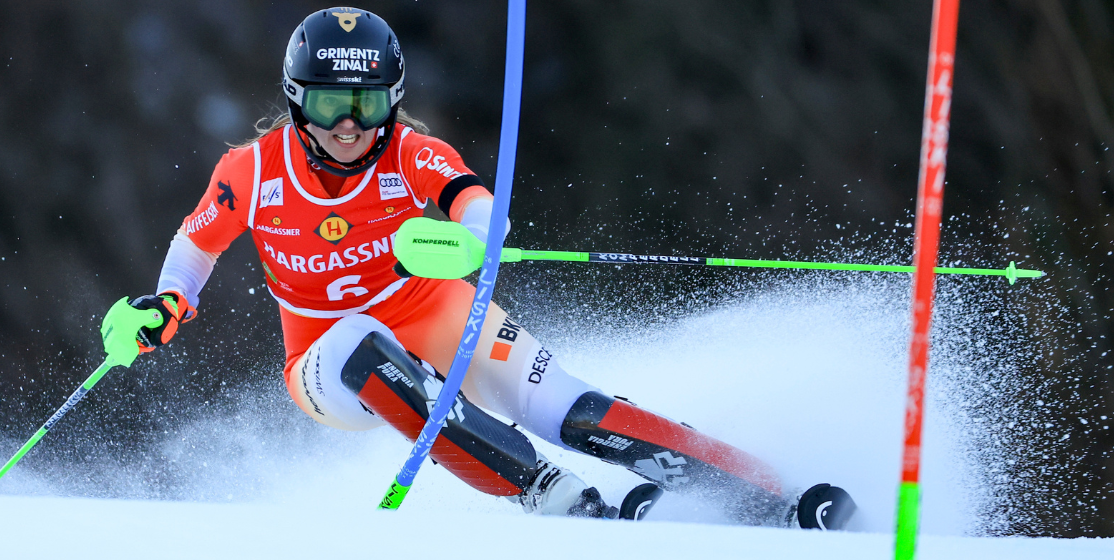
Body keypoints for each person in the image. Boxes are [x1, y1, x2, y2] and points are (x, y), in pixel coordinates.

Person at [113, 7, 854, 527]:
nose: (349, 125)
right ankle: (549, 492)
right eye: (333, 103)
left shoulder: (410, 153)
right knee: (360, 349)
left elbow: (475, 203)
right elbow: (196, 244)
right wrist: (167, 305)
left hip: (433, 309)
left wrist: (474, 240)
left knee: (572, 409)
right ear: (297, 100)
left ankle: (769, 494)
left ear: (392, 102)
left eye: (368, 104)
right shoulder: (252, 170)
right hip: (322, 357)